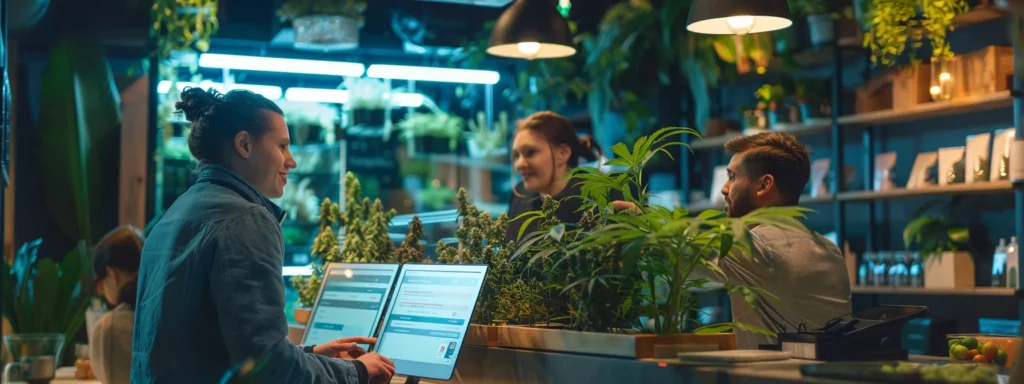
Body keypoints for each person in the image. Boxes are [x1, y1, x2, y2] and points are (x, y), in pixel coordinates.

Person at [131, 88, 395, 384]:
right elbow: (269, 369)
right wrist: (357, 371)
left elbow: (218, 351)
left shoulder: (175, 214)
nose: (291, 161)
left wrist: (308, 354)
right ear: (244, 144)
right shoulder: (246, 219)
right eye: (282, 146)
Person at [709, 132, 852, 349]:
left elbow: (676, 254)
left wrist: (639, 217)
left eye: (732, 177)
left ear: (764, 185)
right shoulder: (830, 249)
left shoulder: (758, 248)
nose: (724, 189)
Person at [505, 111, 609, 242]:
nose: (519, 164)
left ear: (563, 153)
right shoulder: (520, 195)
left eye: (530, 152)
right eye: (516, 156)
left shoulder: (598, 197)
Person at [90, 226, 145, 384]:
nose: (100, 292)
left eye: (100, 283)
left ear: (111, 274)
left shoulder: (111, 329)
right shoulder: (173, 307)